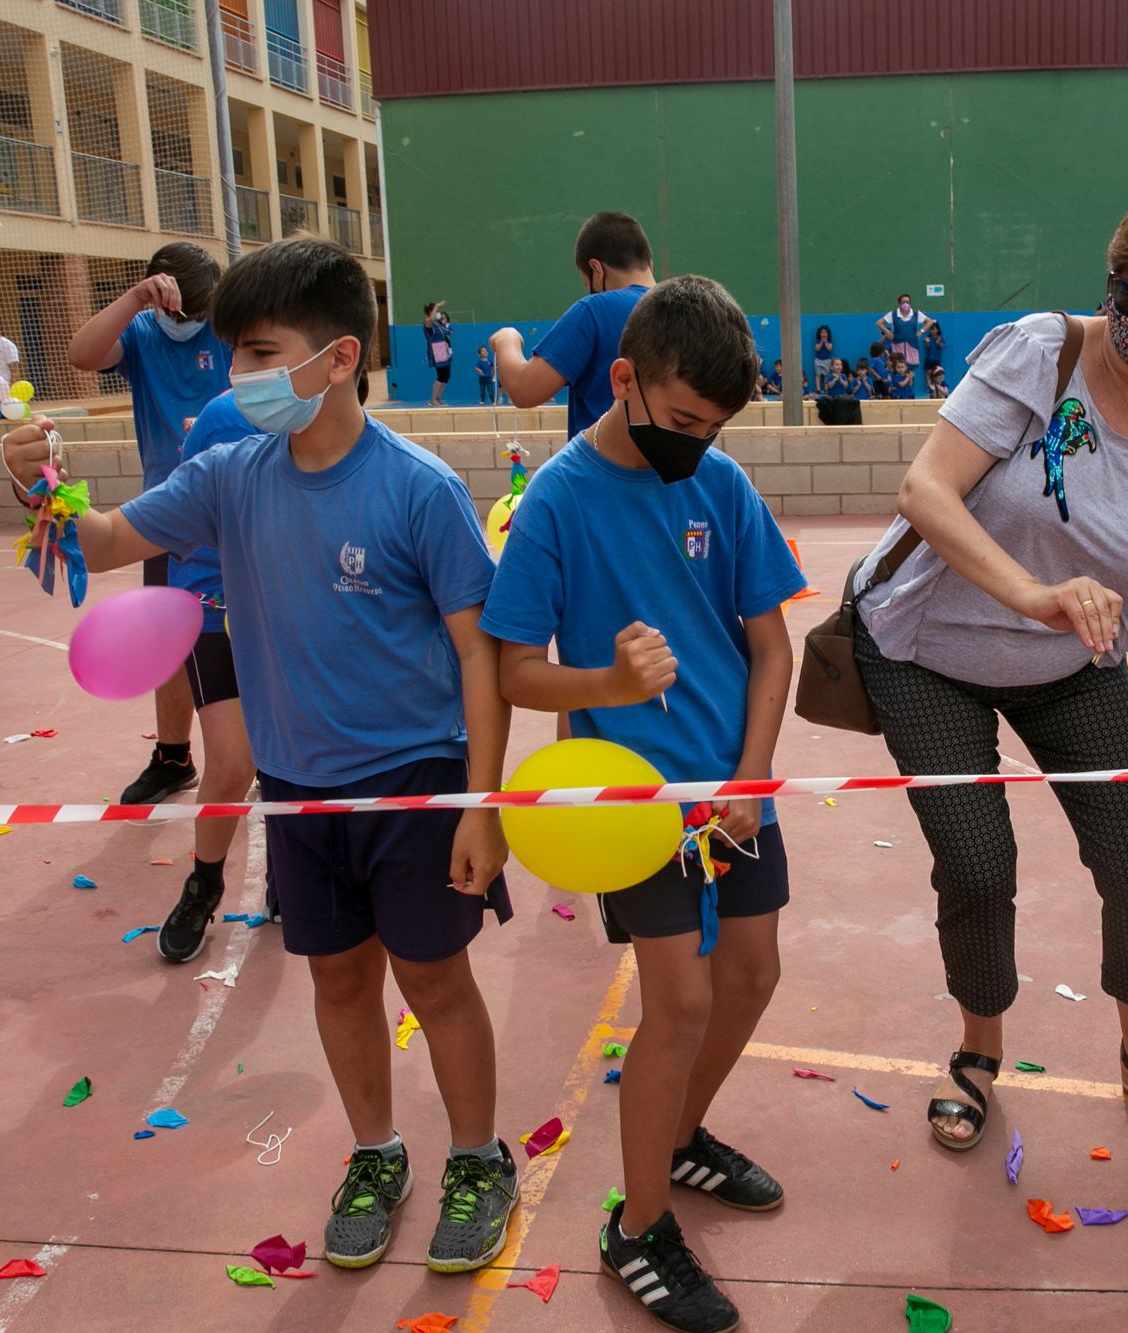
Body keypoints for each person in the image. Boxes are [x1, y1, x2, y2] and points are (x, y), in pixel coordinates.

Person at [3, 236, 516, 1276]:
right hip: (298, 791)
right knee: (335, 983)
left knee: (435, 981)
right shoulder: (228, 475)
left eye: (258, 351)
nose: (237, 375)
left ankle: (476, 1156)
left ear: (336, 358)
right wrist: (39, 483)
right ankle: (377, 1153)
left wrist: (481, 803)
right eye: (234, 352)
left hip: (416, 784)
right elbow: (99, 539)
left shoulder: (418, 488)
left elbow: (480, 654)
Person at [852, 174, 1128, 1161]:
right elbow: (925, 491)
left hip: (1071, 660)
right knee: (977, 858)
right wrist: (1028, 593)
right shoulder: (1043, 356)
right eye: (1124, 289)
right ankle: (977, 1052)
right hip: (927, 650)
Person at [482, 275, 802, 1333]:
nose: (694, 444)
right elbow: (516, 669)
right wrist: (607, 690)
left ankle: (677, 1136)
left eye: (712, 429)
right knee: (678, 1006)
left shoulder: (721, 483)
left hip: (730, 790)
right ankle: (637, 1228)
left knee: (751, 975)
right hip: (628, 802)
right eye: (679, 421)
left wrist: (752, 776)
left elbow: (770, 642)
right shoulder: (558, 504)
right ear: (622, 381)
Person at [67, 243, 232, 807]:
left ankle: (263, 750)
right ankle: (173, 756)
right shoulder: (141, 330)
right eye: (173, 312)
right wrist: (137, 298)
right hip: (165, 512)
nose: (183, 324)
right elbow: (82, 355)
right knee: (170, 640)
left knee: (248, 634)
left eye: (194, 314)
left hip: (236, 509)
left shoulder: (229, 327)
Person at [150, 390, 261, 965]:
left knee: (300, 756)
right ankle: (204, 884)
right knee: (232, 763)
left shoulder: (330, 410)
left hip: (290, 607)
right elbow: (158, 517)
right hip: (214, 604)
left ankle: (294, 872)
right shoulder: (222, 418)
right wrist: (43, 492)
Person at [492, 212, 656, 441]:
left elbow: (524, 390)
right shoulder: (685, 311)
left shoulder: (594, 311)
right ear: (649, 263)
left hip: (602, 470)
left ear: (596, 269)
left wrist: (506, 341)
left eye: (587, 282)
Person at [878, 293, 928, 367]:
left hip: (912, 346)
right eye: (903, 302)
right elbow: (879, 323)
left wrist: (921, 332)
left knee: (911, 371)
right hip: (897, 346)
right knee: (897, 368)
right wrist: (888, 333)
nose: (905, 304)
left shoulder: (916, 314)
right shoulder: (893, 314)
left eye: (907, 302)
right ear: (899, 303)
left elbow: (929, 322)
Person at [424, 300, 453, 406]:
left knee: (446, 375)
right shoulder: (428, 321)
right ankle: (433, 400)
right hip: (437, 350)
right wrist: (437, 305)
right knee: (441, 375)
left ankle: (438, 398)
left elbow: (447, 333)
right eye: (436, 310)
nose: (438, 313)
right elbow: (431, 318)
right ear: (431, 311)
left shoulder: (438, 324)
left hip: (443, 349)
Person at [921, 318, 947, 382]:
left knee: (937, 373)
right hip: (929, 359)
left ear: (937, 330)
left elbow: (941, 347)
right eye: (931, 329)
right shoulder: (928, 338)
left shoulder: (940, 338)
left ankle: (938, 386)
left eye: (934, 329)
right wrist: (927, 342)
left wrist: (938, 341)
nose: (932, 331)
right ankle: (929, 387)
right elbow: (926, 347)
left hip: (937, 359)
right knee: (928, 373)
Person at [812, 324, 835, 392]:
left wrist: (825, 342)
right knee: (818, 374)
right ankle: (818, 388)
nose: (823, 334)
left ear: (828, 334)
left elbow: (829, 349)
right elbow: (817, 349)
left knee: (826, 375)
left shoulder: (830, 342)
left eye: (825, 332)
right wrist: (821, 342)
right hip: (818, 360)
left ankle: (826, 388)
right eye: (822, 332)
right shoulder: (818, 342)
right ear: (819, 334)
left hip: (827, 360)